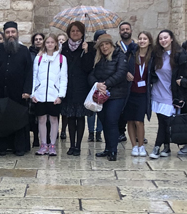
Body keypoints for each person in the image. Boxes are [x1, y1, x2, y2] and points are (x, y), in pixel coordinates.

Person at [0, 22, 34, 156]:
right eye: (8, 32)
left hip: (18, 92)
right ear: (4, 34)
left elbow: (29, 72)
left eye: (13, 32)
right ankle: (2, 147)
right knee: (2, 119)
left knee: (18, 118)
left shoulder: (24, 50)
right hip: (1, 91)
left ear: (17, 33)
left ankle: (19, 147)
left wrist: (27, 90)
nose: (10, 35)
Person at [88, 33, 130, 162]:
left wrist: (106, 84)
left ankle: (113, 150)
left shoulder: (120, 56)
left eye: (106, 44)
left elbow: (121, 73)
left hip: (116, 95)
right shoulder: (99, 59)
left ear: (111, 45)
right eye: (101, 45)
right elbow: (91, 74)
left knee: (111, 121)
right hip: (101, 95)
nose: (104, 47)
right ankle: (107, 148)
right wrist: (97, 84)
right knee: (105, 121)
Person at [31, 34, 67, 156]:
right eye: (48, 42)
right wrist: (33, 93)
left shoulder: (61, 59)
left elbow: (63, 78)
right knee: (41, 119)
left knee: (53, 119)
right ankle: (43, 144)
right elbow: (34, 76)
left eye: (52, 42)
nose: (50, 44)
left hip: (54, 94)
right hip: (40, 94)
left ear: (56, 43)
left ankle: (52, 144)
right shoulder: (39, 58)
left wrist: (61, 95)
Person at [149, 30, 182, 159]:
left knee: (165, 122)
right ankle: (166, 147)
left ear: (171, 38)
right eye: (161, 38)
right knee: (162, 121)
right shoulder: (157, 55)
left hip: (170, 93)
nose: (163, 40)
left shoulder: (178, 55)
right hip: (158, 91)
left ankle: (157, 147)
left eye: (165, 38)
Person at [60, 22, 90, 157]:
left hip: (81, 87)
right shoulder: (64, 48)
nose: (75, 33)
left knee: (80, 117)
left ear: (82, 33)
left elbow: (88, 67)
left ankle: (78, 145)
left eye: (78, 31)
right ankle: (71, 144)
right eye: (73, 31)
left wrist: (86, 52)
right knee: (70, 117)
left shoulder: (87, 47)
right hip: (68, 87)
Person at [125, 31, 153, 157]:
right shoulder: (132, 54)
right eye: (140, 38)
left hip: (143, 93)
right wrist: (126, 73)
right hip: (130, 92)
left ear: (149, 41)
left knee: (139, 121)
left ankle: (141, 145)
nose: (142, 41)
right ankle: (134, 146)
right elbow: (123, 65)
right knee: (130, 120)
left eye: (145, 39)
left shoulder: (152, 56)